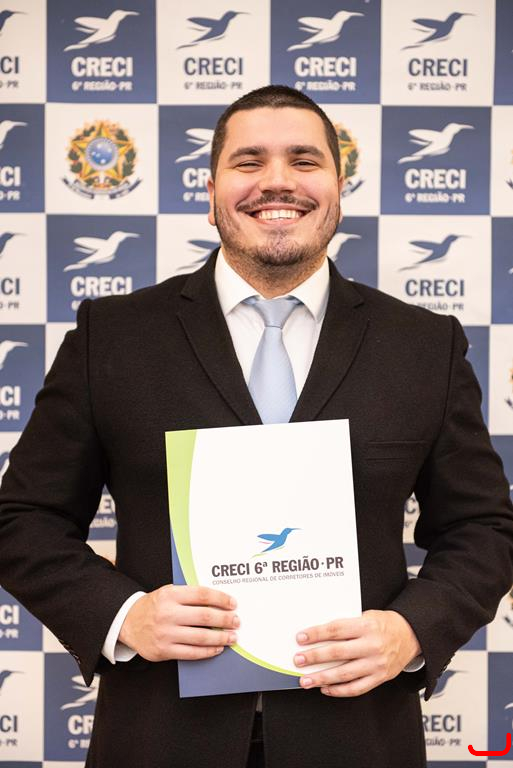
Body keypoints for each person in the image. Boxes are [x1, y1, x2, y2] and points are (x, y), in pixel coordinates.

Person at [0, 85, 511, 768]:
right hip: (159, 738)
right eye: (248, 162)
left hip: (357, 739)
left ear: (338, 188)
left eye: (304, 161)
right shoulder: (112, 337)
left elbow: (482, 528)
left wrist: (411, 630)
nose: (277, 182)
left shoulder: (423, 346)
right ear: (210, 191)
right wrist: (127, 616)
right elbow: (24, 520)